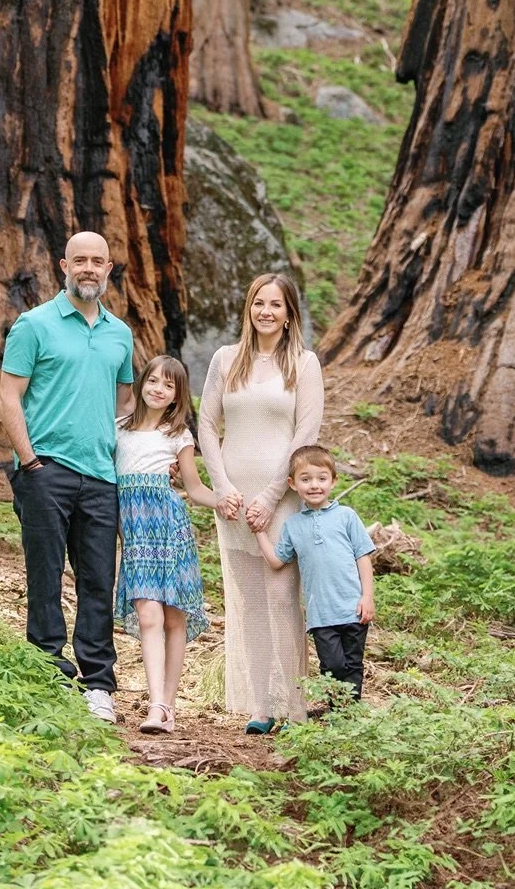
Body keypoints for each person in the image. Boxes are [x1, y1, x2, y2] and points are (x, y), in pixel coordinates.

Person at [0, 231, 133, 724]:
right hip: (45, 470)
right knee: (45, 575)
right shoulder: (34, 325)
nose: (89, 269)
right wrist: (30, 463)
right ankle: (48, 671)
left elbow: (124, 403)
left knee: (99, 580)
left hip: (101, 476)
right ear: (63, 266)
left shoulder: (121, 333)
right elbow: (9, 396)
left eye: (98, 261)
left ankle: (99, 683)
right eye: (80, 261)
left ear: (109, 268)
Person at [197, 272, 324, 734]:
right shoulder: (226, 359)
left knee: (279, 595)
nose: (265, 312)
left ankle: (292, 705)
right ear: (248, 309)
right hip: (232, 496)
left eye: (275, 305)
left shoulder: (303, 364)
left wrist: (273, 495)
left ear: (289, 314)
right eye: (258, 303)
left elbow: (306, 433)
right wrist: (222, 486)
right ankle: (259, 706)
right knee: (247, 599)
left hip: (280, 494)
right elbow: (207, 425)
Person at [114, 356, 221, 733]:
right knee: (149, 615)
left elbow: (193, 487)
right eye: (154, 381)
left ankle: (166, 706)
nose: (159, 389)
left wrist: (223, 498)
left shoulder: (178, 436)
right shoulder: (118, 430)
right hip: (136, 534)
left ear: (177, 397)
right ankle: (157, 702)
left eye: (169, 385)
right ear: (142, 383)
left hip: (170, 528)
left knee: (174, 617)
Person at [254, 445, 375, 702]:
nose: (314, 485)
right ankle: (336, 709)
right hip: (321, 615)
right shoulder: (294, 525)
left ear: (333, 481)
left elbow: (362, 557)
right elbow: (277, 561)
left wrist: (367, 597)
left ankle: (350, 718)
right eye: (305, 479)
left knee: (353, 665)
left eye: (322, 478)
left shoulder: (346, 516)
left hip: (353, 609)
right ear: (293, 484)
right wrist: (259, 532)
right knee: (332, 666)